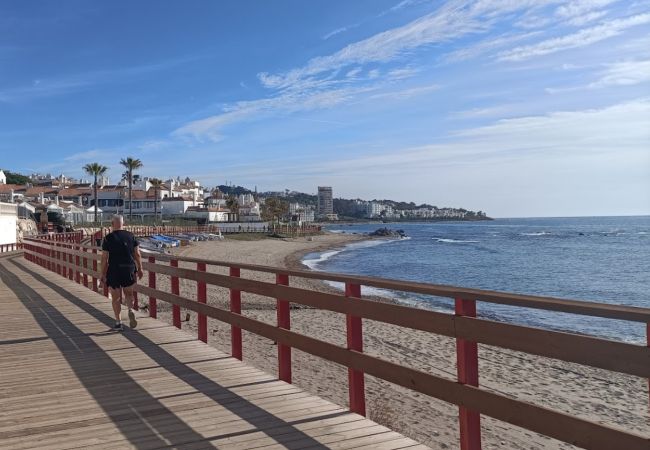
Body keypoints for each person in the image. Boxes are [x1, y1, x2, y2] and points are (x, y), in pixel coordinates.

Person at [100, 215, 143, 331]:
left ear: (112, 224)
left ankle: (118, 323)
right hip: (128, 268)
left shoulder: (108, 238)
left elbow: (104, 258)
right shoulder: (131, 236)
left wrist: (102, 274)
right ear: (123, 224)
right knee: (129, 293)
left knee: (116, 298)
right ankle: (130, 310)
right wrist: (140, 268)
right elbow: (137, 254)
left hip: (114, 269)